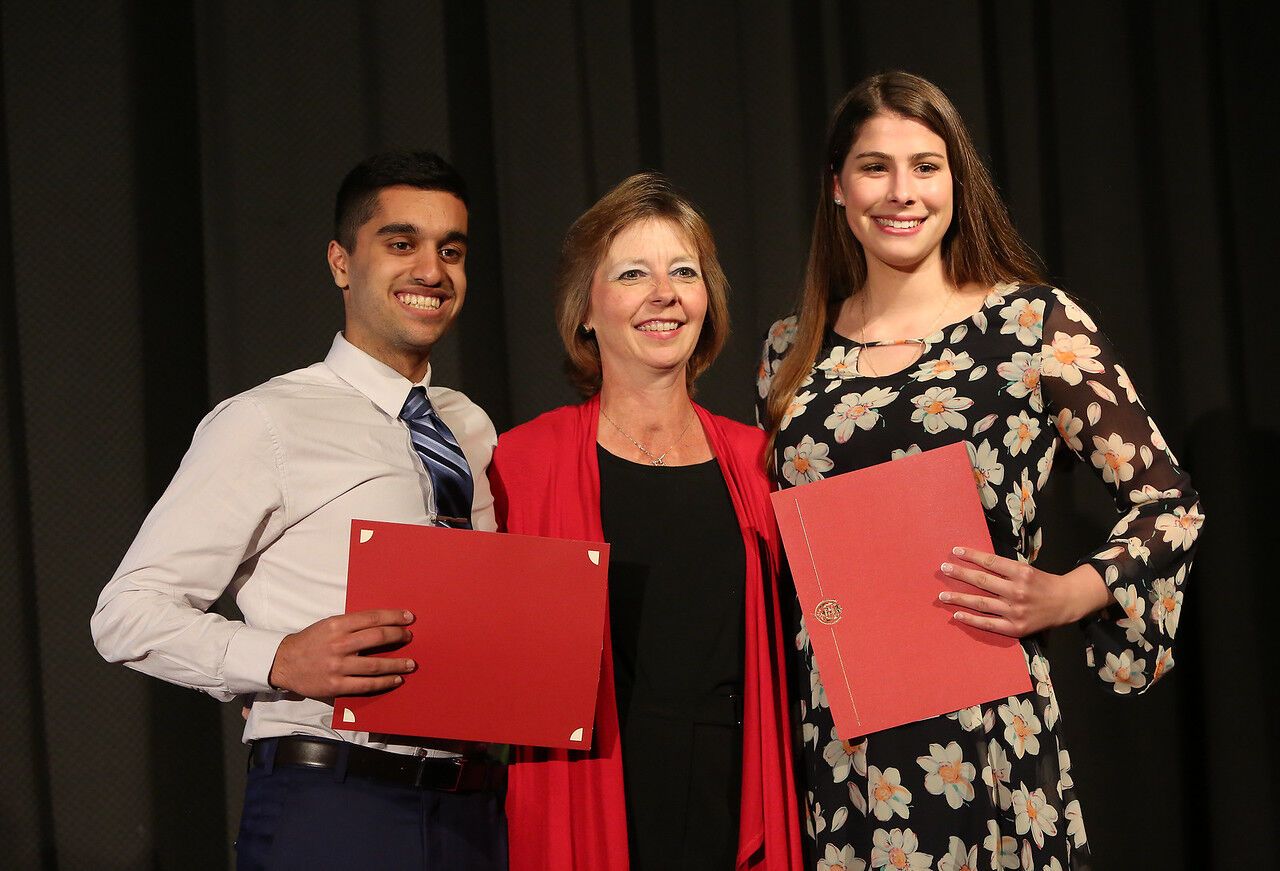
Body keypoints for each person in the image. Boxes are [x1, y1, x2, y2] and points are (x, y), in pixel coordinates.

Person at [756, 72, 1203, 870]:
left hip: (984, 733)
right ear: (836, 186)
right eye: (874, 166)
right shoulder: (788, 353)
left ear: (957, 184)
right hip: (836, 742)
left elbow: (1168, 504)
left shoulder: (1031, 324)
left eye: (926, 166)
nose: (901, 191)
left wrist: (1070, 592)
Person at [92, 151, 508, 870]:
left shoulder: (469, 425)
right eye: (401, 243)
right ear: (342, 262)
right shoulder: (267, 421)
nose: (432, 271)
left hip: (474, 810)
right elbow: (126, 610)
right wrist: (277, 658)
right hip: (335, 804)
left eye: (452, 250)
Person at [489, 173, 803, 870]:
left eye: (683, 272)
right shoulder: (519, 462)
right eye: (634, 273)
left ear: (707, 301)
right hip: (589, 789)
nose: (664, 293)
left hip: (731, 795)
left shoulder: (762, 463)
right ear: (586, 311)